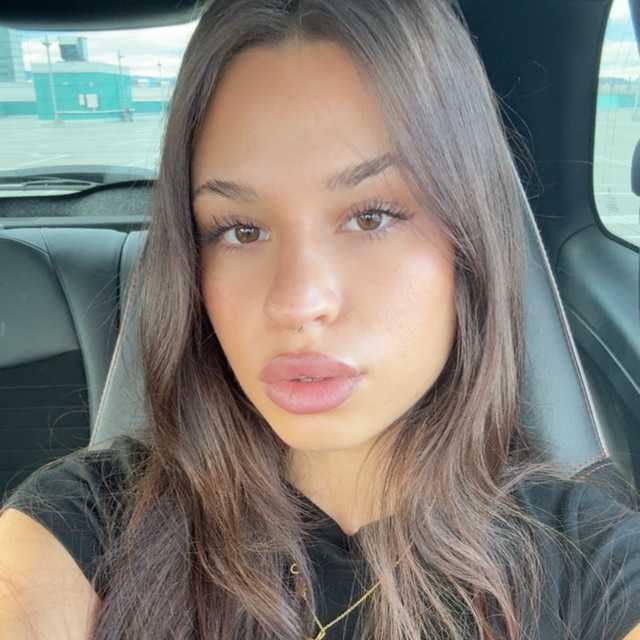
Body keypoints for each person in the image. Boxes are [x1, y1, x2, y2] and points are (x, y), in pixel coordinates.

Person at [1, 0, 640, 639]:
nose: (298, 302)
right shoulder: (91, 521)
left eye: (371, 217)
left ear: (469, 243)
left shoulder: (590, 562)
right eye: (240, 229)